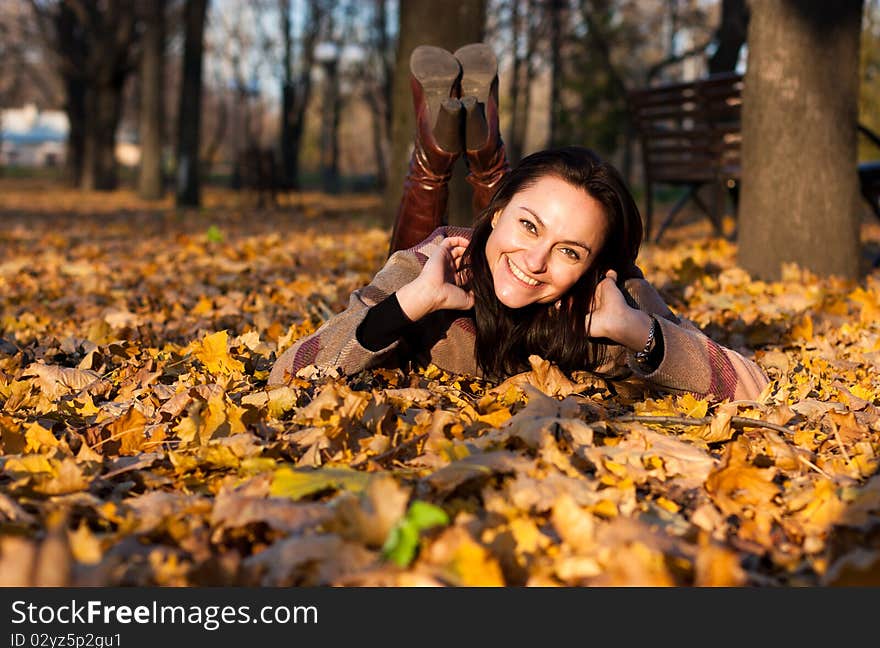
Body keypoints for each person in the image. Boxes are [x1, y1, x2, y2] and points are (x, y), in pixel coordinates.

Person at [269, 44, 769, 401]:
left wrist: (638, 330)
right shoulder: (430, 267)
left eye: (570, 251)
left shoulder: (611, 300)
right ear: (498, 211)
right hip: (452, 256)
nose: (536, 261)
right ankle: (463, 156)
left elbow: (751, 383)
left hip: (520, 246)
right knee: (434, 247)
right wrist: (410, 303)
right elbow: (288, 372)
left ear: (595, 266)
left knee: (514, 250)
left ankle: (453, 153)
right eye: (529, 227)